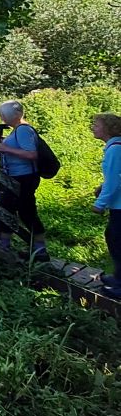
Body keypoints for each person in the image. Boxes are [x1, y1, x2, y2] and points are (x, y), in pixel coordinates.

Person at [0, 100, 48, 262]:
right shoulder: (18, 130)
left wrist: (6, 149)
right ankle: (7, 244)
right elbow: (13, 143)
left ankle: (38, 249)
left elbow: (31, 154)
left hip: (24, 178)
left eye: (3, 114)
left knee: (26, 211)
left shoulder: (23, 130)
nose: (1, 117)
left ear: (12, 115)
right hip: (18, 177)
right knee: (9, 208)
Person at [91, 113, 121, 294]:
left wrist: (100, 203)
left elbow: (114, 182)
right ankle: (118, 277)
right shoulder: (116, 147)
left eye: (97, 124)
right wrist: (102, 186)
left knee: (117, 240)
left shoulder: (115, 149)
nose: (93, 127)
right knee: (114, 236)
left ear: (109, 129)